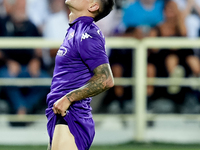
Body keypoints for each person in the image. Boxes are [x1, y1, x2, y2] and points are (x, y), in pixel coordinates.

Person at [46, 0, 115, 150]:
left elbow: (106, 79)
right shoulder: (75, 29)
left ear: (93, 6)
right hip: (61, 113)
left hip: (71, 115)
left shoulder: (87, 33)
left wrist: (68, 98)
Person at [0, 0, 50, 116]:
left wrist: (35, 60)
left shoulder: (31, 26)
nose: (21, 10)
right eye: (19, 7)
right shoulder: (2, 24)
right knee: (6, 78)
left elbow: (39, 49)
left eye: (23, 7)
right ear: (12, 8)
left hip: (28, 67)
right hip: (7, 68)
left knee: (46, 81)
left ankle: (22, 108)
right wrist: (8, 61)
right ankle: (22, 109)